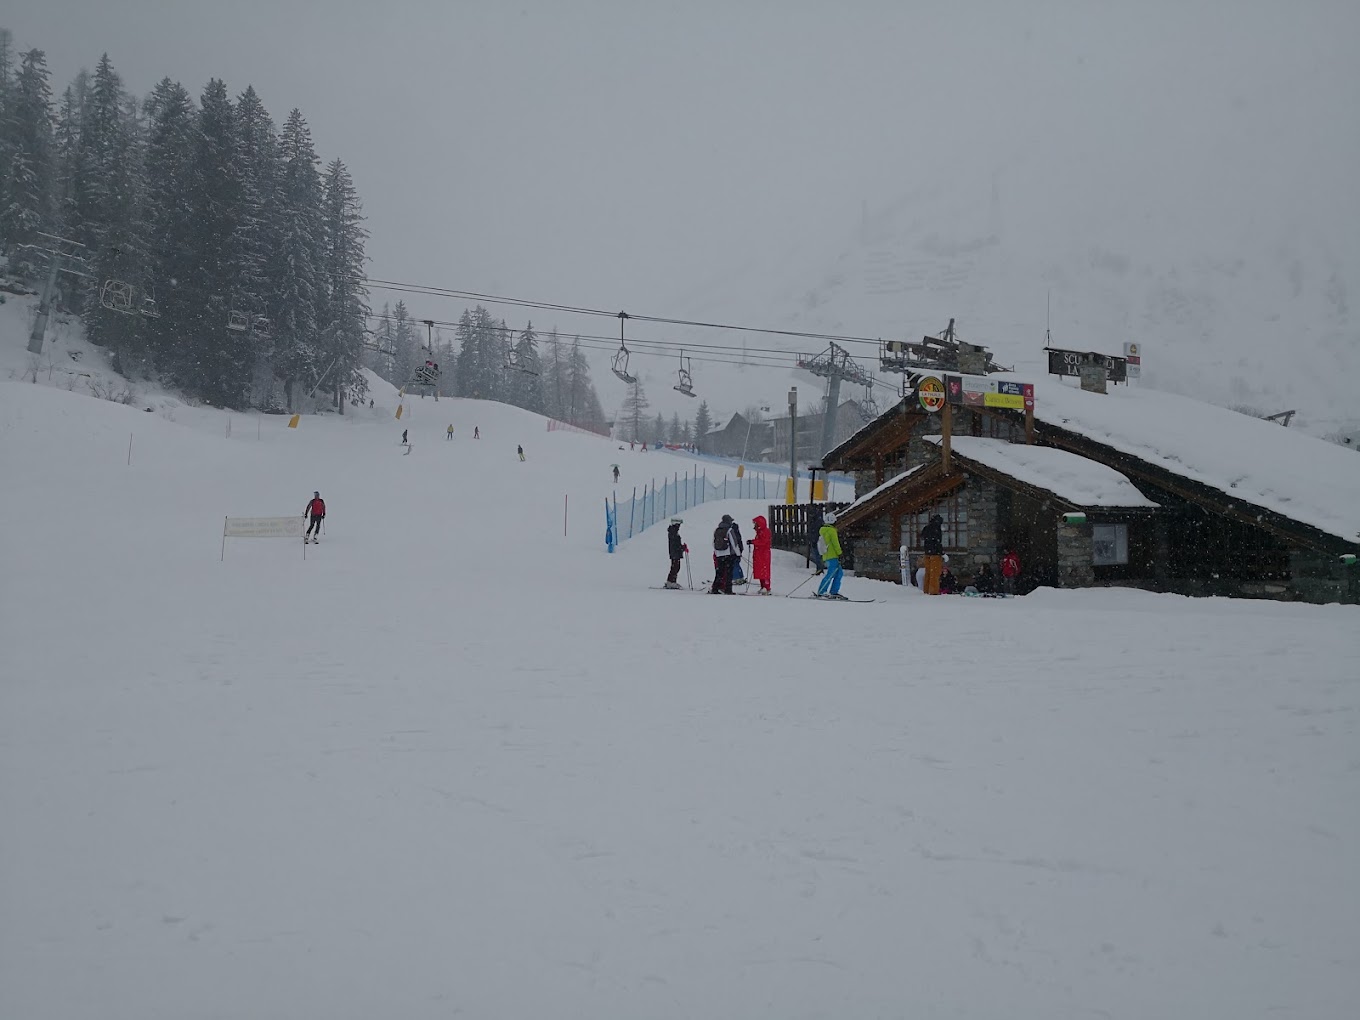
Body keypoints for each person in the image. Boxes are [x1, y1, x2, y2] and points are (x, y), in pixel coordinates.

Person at [815, 512, 846, 599]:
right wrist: (840, 553)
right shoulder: (832, 531)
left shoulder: (822, 530)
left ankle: (833, 591)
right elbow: (836, 544)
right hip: (833, 556)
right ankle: (822, 591)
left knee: (838, 573)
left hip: (827, 556)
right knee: (831, 574)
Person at [709, 514, 741, 594]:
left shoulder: (717, 530)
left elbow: (713, 543)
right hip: (729, 554)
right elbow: (734, 543)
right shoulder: (729, 530)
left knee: (719, 572)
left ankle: (715, 588)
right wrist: (738, 553)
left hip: (719, 555)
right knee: (729, 573)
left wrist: (717, 553)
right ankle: (728, 590)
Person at [921, 512, 944, 595]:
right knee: (935, 573)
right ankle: (933, 591)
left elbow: (923, 537)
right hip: (935, 554)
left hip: (927, 553)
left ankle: (926, 589)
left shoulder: (926, 528)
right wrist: (942, 553)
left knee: (928, 572)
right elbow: (938, 543)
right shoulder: (937, 529)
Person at [750, 515, 773, 594]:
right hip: (760, 554)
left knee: (764, 571)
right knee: (761, 571)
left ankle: (766, 587)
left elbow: (763, 542)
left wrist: (753, 542)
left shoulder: (765, 531)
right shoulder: (760, 532)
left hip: (763, 554)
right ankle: (763, 586)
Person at [665, 518, 687, 589]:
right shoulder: (673, 532)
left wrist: (681, 547)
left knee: (675, 567)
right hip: (675, 553)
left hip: (674, 552)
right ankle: (671, 581)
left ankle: (671, 581)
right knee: (675, 567)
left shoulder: (673, 532)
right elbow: (675, 544)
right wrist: (682, 548)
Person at [729, 519, 747, 585]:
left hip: (735, 551)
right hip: (739, 549)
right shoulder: (737, 532)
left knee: (734, 564)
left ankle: (736, 578)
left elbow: (734, 543)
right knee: (737, 563)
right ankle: (740, 577)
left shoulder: (732, 533)